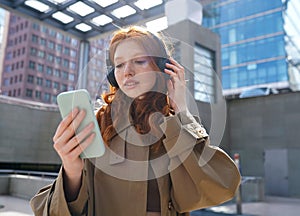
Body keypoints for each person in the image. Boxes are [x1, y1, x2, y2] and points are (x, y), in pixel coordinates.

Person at [30, 26, 241, 216]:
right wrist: (71, 169)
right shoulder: (99, 122)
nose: (127, 72)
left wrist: (182, 113)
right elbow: (64, 209)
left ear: (163, 67)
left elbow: (218, 188)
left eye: (139, 61)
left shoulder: (174, 123)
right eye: (119, 65)